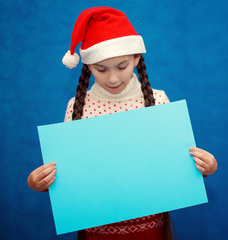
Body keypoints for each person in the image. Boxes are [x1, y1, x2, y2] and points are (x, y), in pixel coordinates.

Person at [27, 7, 217, 240]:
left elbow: (175, 163)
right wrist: (42, 182)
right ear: (87, 66)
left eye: (122, 66)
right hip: (97, 231)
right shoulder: (77, 106)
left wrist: (205, 167)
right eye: (101, 69)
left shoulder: (158, 100)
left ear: (137, 58)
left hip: (151, 227)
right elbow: (68, 175)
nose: (113, 78)